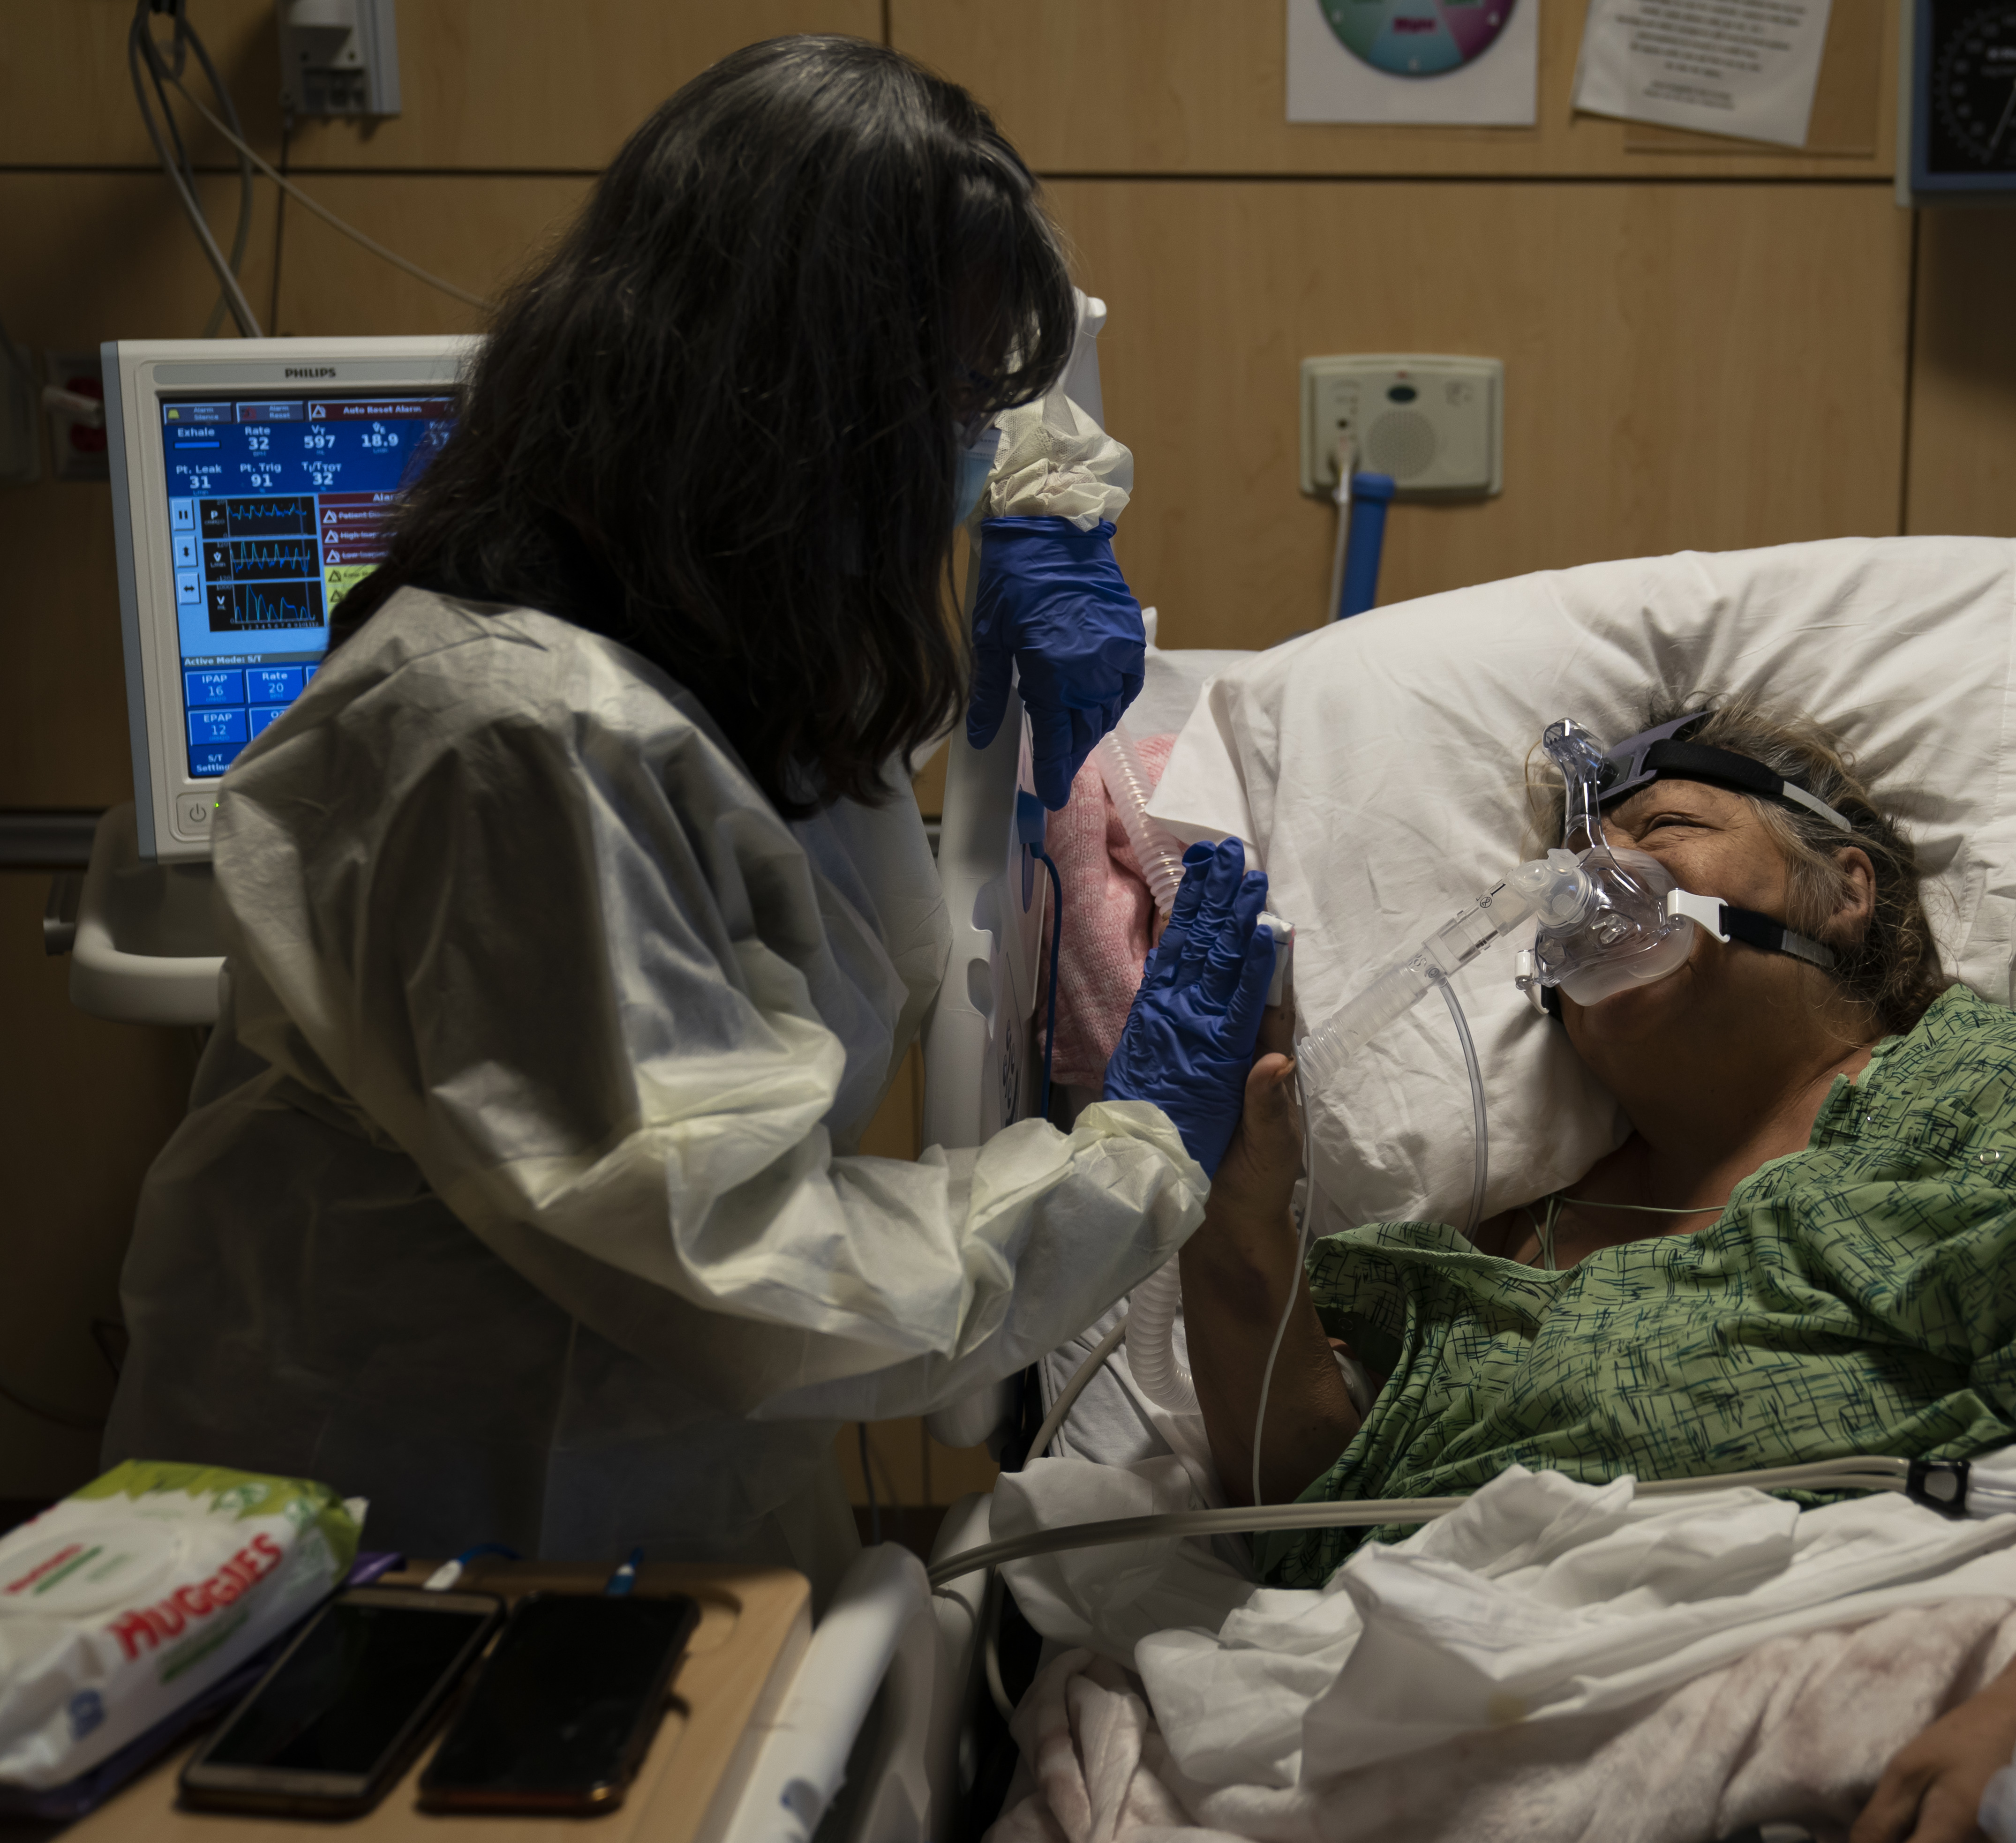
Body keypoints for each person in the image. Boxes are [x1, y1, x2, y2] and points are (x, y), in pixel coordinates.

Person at [101, 37, 1276, 1594]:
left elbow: (811, 769)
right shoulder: (509, 742)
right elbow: (750, 1275)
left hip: (657, 1487)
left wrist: (1043, 504)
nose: (972, 448)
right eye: (949, 409)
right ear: (801, 423)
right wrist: (1126, 1163)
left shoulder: (714, 620)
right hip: (427, 1528)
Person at [1178, 698, 2016, 1835]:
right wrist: (1224, 1199)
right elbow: (1312, 1509)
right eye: (1566, 871)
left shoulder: (1986, 1109)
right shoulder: (1507, 1256)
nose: (1601, 882)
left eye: (1668, 824)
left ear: (1845, 889)